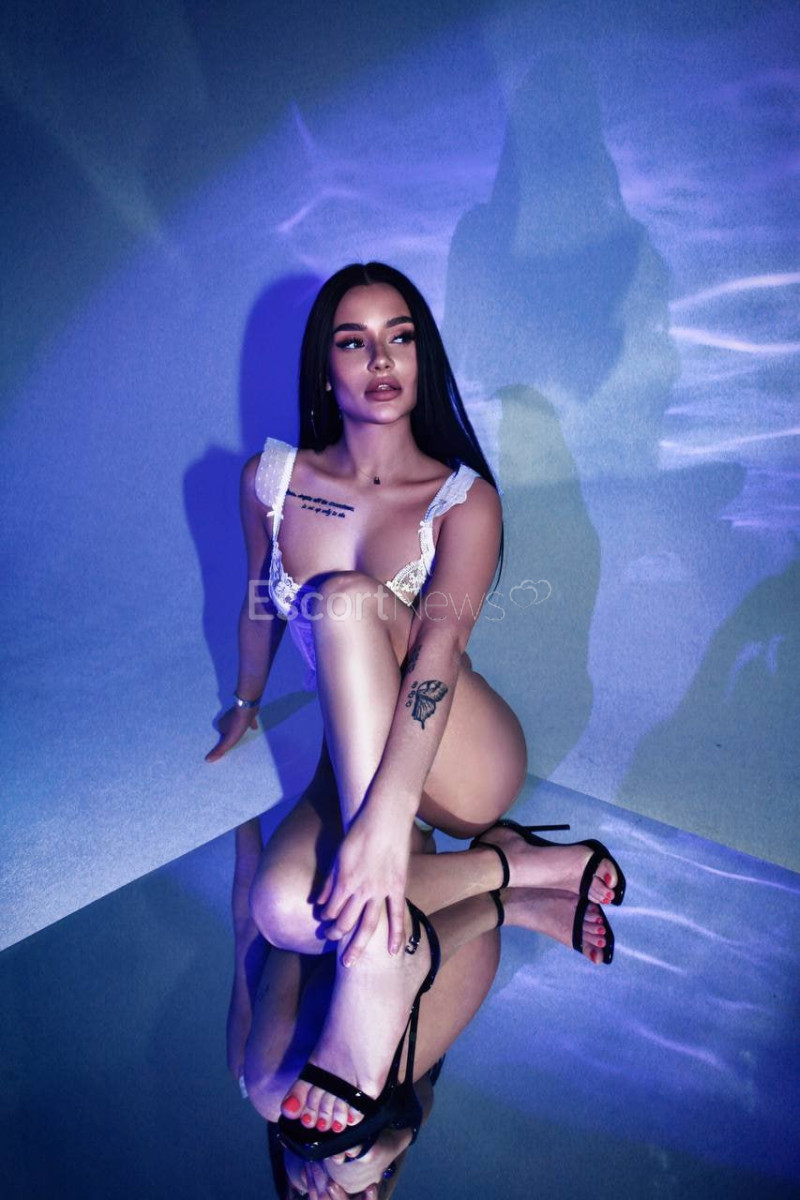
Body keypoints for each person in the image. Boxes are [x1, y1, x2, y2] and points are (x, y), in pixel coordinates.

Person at [208, 262, 625, 1161]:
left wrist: (385, 823)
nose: (380, 360)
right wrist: (244, 701)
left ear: (422, 357)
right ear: (324, 367)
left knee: (345, 603)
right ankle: (513, 872)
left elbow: (437, 651)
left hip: (461, 761)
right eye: (353, 341)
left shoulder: (462, 500)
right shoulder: (271, 482)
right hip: (355, 756)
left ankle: (378, 965)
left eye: (399, 337)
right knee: (283, 912)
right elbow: (255, 601)